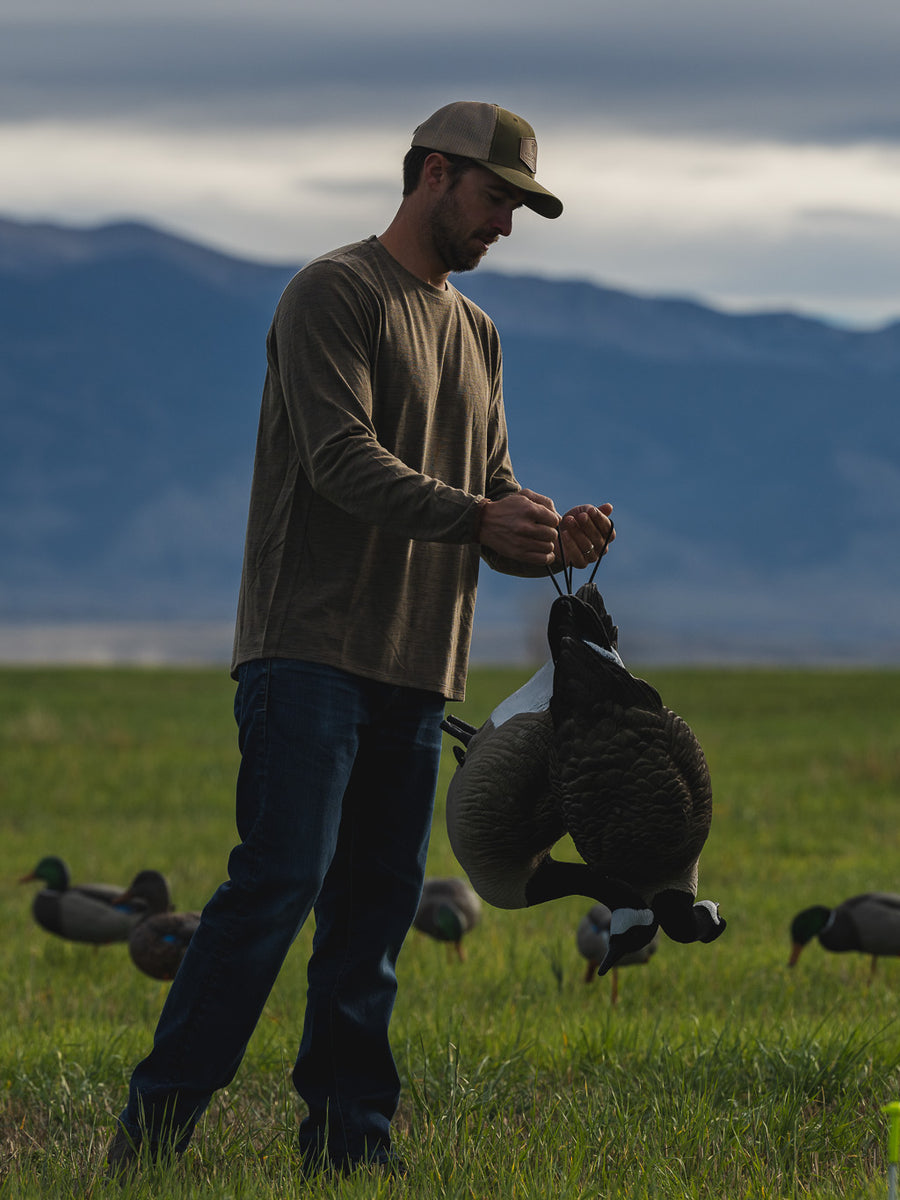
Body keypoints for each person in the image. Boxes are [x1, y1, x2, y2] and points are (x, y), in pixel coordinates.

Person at [107, 99, 615, 1178]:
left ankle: (350, 1152)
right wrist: (480, 515)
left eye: (520, 209)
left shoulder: (478, 334)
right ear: (433, 174)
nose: (506, 228)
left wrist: (543, 532)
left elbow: (489, 498)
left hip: (420, 669)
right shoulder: (332, 294)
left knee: (375, 917)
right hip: (308, 655)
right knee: (274, 891)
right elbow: (342, 461)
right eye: (495, 199)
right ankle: (148, 1145)